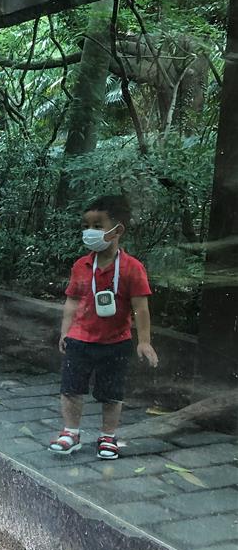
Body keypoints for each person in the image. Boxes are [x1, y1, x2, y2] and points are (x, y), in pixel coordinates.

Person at [49, 195, 159, 460]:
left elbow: (141, 308)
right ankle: (71, 432)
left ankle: (108, 436)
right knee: (71, 388)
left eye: (98, 226)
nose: (90, 232)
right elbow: (72, 300)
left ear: (117, 230)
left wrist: (143, 341)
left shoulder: (133, 268)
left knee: (112, 393)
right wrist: (66, 331)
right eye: (87, 226)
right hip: (80, 339)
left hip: (116, 342)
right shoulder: (81, 265)